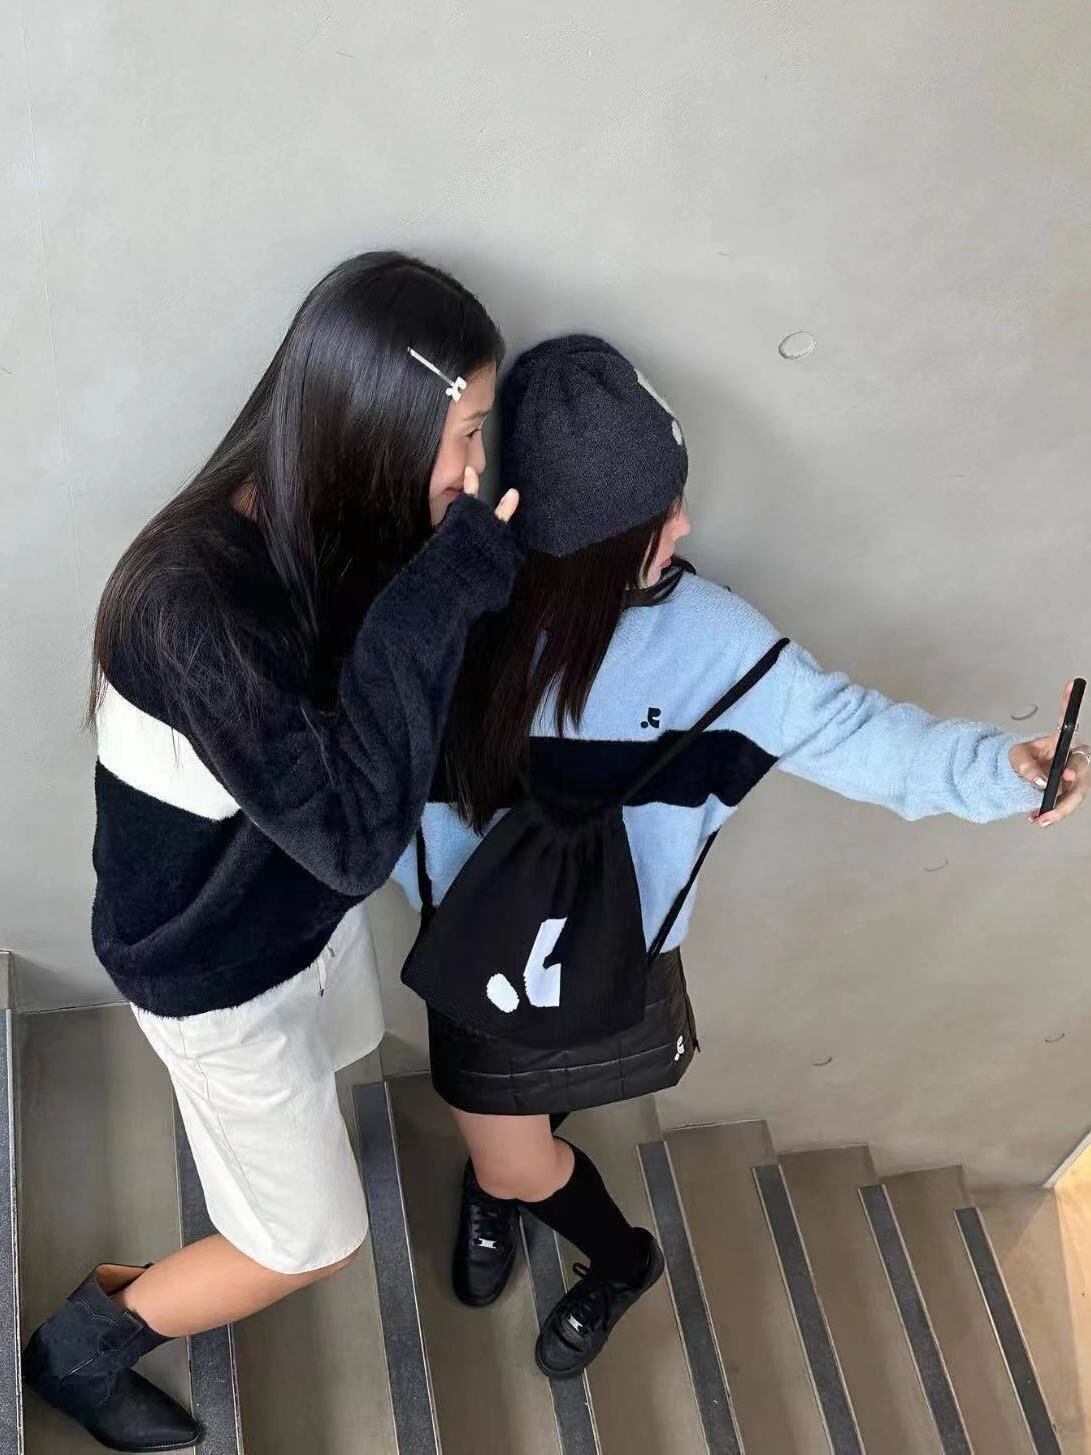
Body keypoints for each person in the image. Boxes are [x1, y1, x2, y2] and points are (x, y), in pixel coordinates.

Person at [391, 333, 1089, 1381]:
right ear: (581, 541)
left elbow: (853, 733)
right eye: (658, 515)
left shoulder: (713, 640)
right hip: (478, 953)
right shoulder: (454, 617)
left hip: (612, 948)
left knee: (516, 1140)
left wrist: (1001, 770)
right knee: (512, 1146)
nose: (684, 527)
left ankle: (584, 1235)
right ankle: (563, 1218)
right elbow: (368, 778)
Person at [23, 252, 521, 1451]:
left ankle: (278, 1141)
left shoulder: (335, 532)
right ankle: (81, 1346)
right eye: (464, 435)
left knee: (342, 1048)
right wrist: (441, 593)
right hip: (212, 972)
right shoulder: (187, 602)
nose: (475, 475)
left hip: (296, 920)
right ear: (373, 428)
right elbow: (353, 837)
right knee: (310, 1240)